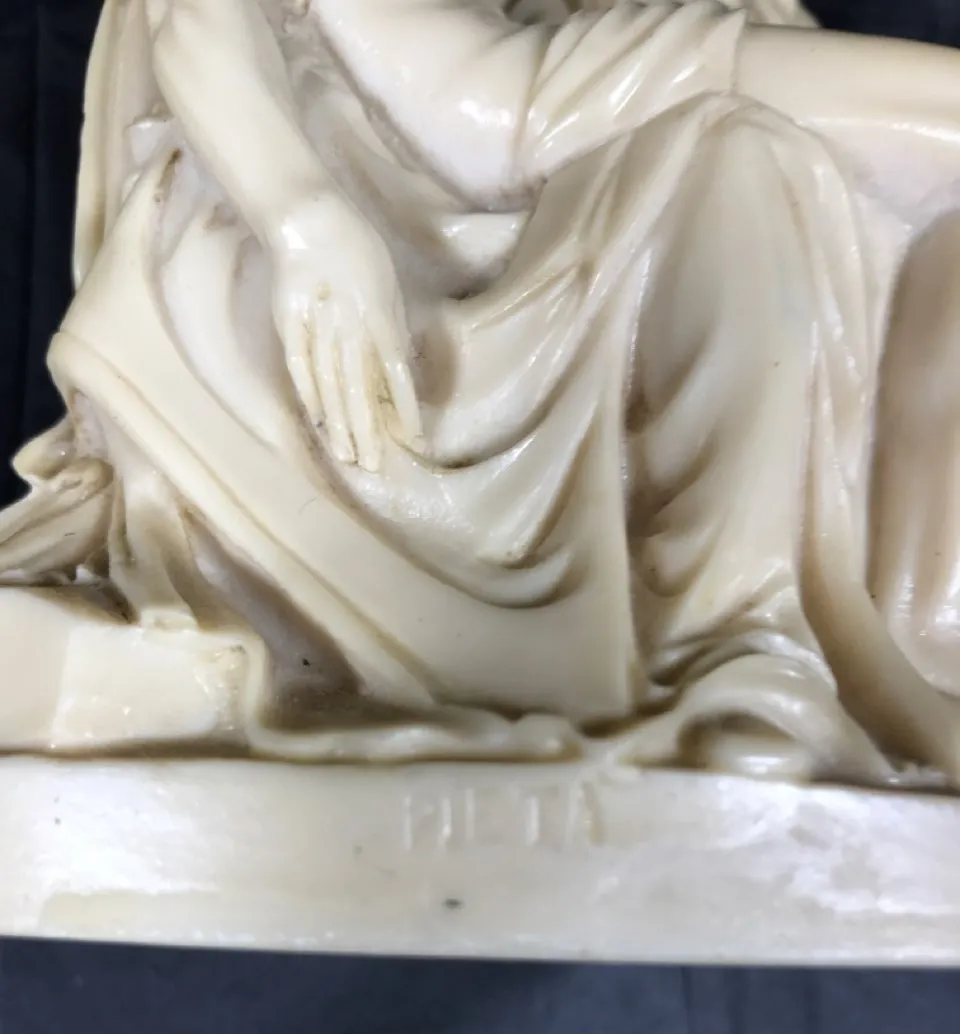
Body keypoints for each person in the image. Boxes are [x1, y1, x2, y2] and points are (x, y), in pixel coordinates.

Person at [3, 0, 960, 782]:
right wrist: (303, 216)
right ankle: (735, 649)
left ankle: (854, 645)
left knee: (749, 169)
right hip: (423, 184)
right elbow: (209, 19)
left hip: (548, 140)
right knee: (752, 151)